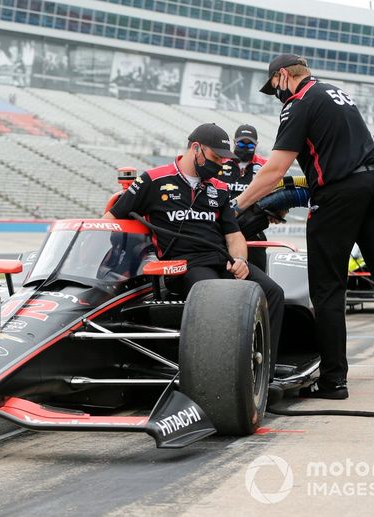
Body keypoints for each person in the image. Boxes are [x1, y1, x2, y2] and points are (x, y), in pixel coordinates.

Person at [234, 54, 374, 398]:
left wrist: (235, 207)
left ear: (283, 76)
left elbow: (275, 170)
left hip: (339, 194)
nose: (276, 94)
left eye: (274, 87)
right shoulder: (337, 94)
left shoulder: (298, 103)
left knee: (327, 288)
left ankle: (334, 381)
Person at [104, 123, 284, 377]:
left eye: (224, 159)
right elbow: (110, 219)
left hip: (223, 261)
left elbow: (234, 235)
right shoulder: (153, 180)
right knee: (218, 297)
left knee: (273, 292)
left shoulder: (219, 187)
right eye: (216, 157)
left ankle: (266, 372)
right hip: (184, 266)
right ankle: (219, 377)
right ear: (196, 148)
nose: (220, 164)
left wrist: (241, 260)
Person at [221, 124, 269, 271]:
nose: (245, 147)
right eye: (241, 143)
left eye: (250, 144)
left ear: (256, 145)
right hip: (223, 226)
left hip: (253, 227)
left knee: (257, 271)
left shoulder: (265, 166)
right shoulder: (220, 162)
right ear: (234, 142)